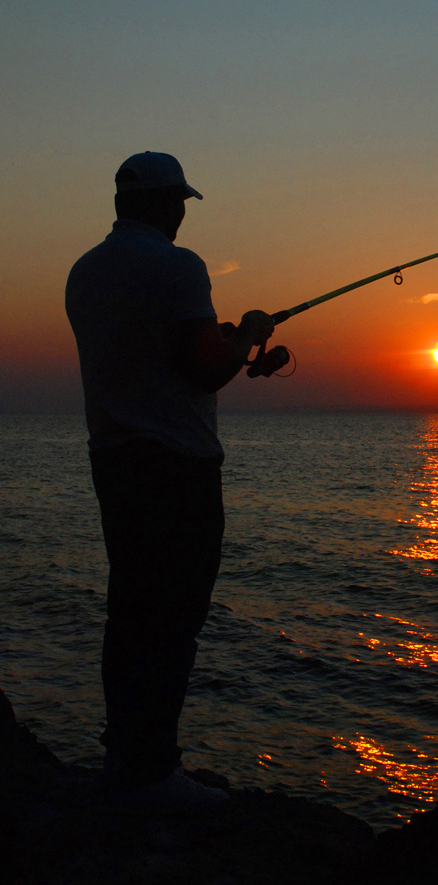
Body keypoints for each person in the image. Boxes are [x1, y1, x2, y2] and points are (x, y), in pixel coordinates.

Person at [66, 151, 275, 812]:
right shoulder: (176, 265)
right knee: (173, 619)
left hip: (114, 460)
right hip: (176, 465)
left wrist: (217, 342)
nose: (184, 214)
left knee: (130, 612)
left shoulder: (86, 271)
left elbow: (152, 351)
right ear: (164, 204)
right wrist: (246, 336)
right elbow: (204, 371)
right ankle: (153, 775)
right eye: (180, 203)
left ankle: (123, 760)